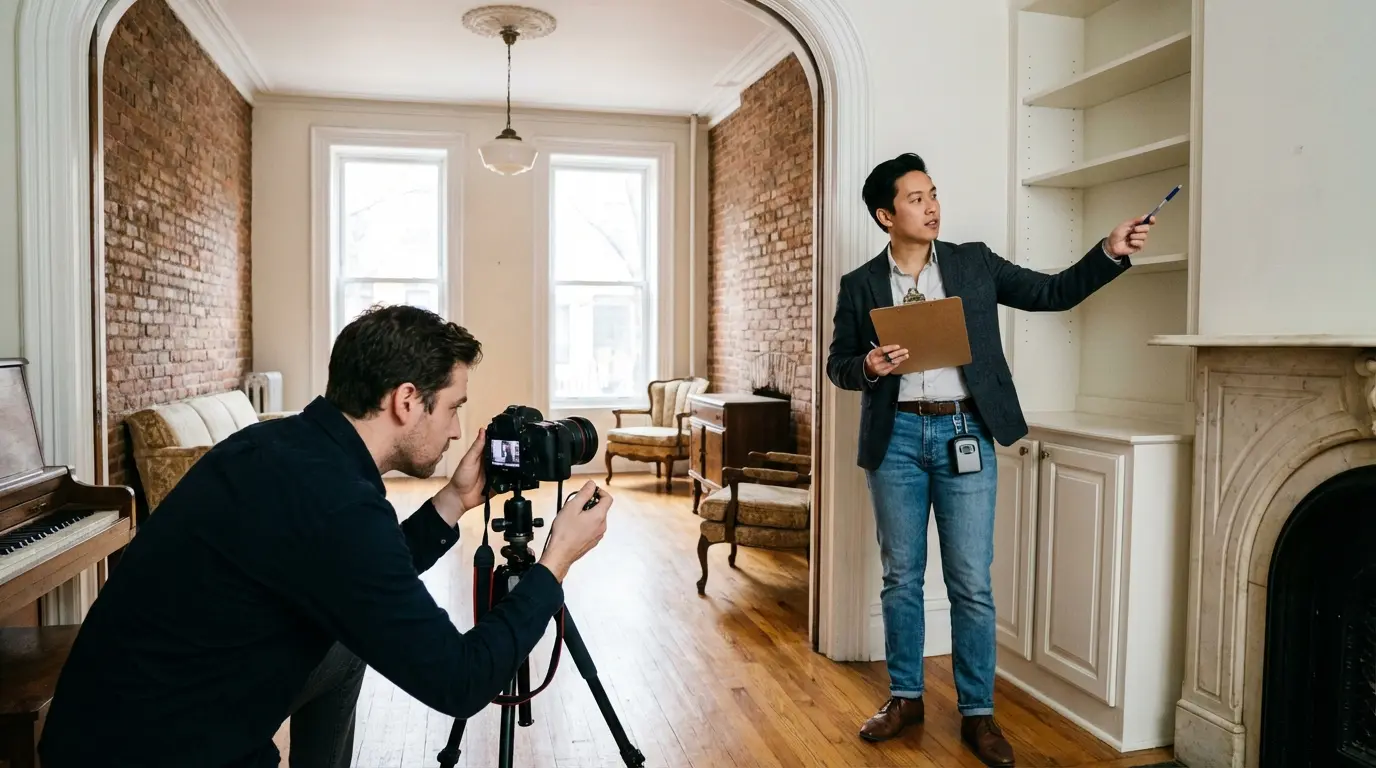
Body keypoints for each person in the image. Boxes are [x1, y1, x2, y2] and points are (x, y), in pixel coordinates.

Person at [38, 304, 614, 768]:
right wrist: (555, 561)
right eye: (454, 407)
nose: (459, 430)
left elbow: (365, 581)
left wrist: (454, 499)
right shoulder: (336, 501)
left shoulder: (285, 447)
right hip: (161, 750)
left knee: (348, 646)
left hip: (124, 713)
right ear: (407, 400)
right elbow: (460, 681)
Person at [826, 153, 1151, 766]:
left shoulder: (972, 263)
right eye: (917, 198)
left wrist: (1109, 251)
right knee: (901, 577)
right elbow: (839, 363)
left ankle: (978, 714)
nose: (932, 206)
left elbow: (1050, 292)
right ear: (885, 215)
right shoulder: (861, 284)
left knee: (971, 581)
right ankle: (906, 697)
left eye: (933, 194)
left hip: (964, 432)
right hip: (894, 440)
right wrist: (868, 365)